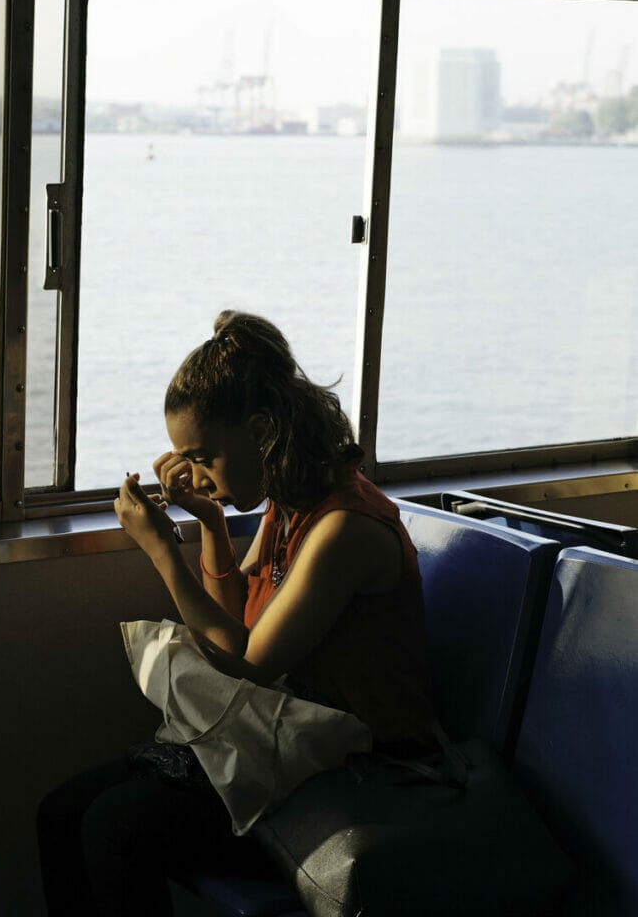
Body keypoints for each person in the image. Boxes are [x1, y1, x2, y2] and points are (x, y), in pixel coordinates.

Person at [37, 310, 434, 916]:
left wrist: (163, 554)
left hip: (358, 768)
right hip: (292, 743)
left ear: (261, 430)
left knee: (115, 828)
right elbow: (233, 633)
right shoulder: (291, 501)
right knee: (61, 812)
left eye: (202, 455)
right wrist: (212, 525)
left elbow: (246, 661)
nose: (192, 472)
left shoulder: (342, 529)